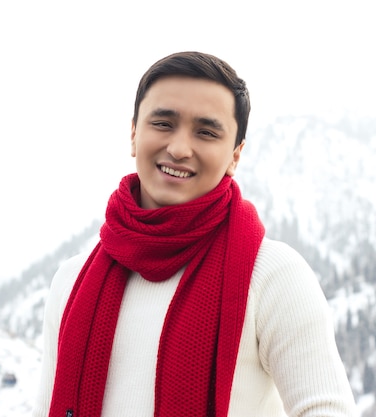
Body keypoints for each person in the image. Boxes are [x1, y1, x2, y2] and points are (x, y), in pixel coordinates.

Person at [32, 51, 358, 417]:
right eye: (163, 123)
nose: (179, 148)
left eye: (206, 132)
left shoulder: (271, 275)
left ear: (235, 155)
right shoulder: (72, 281)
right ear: (134, 133)